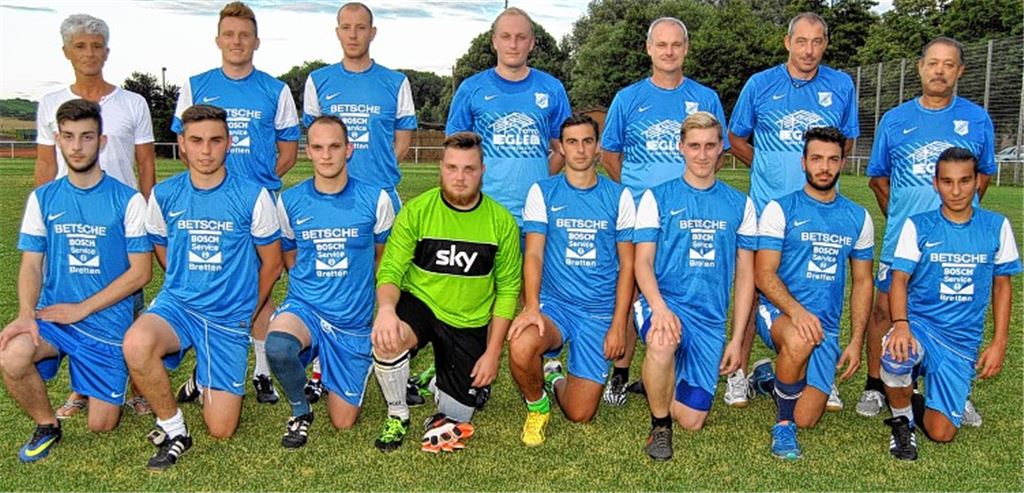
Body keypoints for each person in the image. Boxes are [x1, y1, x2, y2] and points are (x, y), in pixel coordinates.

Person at [122, 104, 282, 471]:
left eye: (215, 140)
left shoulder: (253, 195)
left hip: (228, 317)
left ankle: (201, 375)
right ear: (182, 144)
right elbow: (162, 247)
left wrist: (247, 312)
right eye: (196, 141)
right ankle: (174, 427)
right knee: (136, 342)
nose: (206, 150)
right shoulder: (163, 195)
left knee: (222, 429)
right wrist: (184, 282)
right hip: (179, 306)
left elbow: (271, 263)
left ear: (229, 143)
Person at [0, 99, 151, 462]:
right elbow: (32, 264)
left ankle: (109, 371)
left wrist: (81, 309)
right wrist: (25, 314)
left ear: (101, 142)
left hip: (105, 322)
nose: (77, 146)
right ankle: (46, 424)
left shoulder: (127, 200)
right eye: (68, 137)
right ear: (58, 140)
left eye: (86, 137)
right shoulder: (44, 198)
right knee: (12, 356)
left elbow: (141, 273)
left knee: (102, 424)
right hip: (54, 317)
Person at [726, 12, 859, 410]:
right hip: (768, 209)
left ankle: (823, 376)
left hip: (819, 211)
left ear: (826, 44)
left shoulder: (840, 85)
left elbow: (846, 140)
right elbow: (735, 136)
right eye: (801, 41)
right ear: (787, 42)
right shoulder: (760, 84)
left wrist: (820, 175)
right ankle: (738, 373)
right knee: (752, 291)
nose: (809, 50)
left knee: (822, 288)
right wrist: (766, 166)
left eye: (817, 42)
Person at [171, 1, 299, 405]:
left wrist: (254, 186)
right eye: (229, 34)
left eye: (244, 34)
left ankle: (261, 371)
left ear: (256, 41)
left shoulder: (275, 89)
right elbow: (184, 144)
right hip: (208, 206)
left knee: (260, 286)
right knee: (211, 283)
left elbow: (289, 151)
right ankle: (206, 365)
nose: (237, 41)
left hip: (255, 209)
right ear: (218, 39)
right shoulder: (195, 84)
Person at [861, 37, 996, 422]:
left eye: (948, 64)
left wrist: (958, 215)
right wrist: (906, 223)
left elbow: (983, 174)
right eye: (933, 63)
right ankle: (875, 386)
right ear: (920, 67)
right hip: (904, 240)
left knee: (956, 310)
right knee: (884, 310)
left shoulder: (976, 118)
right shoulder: (895, 119)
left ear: (960, 72)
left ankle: (955, 389)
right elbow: (878, 180)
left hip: (958, 241)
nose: (939, 71)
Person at [600, 16, 731, 406]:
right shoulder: (628, 97)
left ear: (686, 49)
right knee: (629, 287)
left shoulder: (705, 97)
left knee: (685, 285)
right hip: (643, 212)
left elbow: (716, 151)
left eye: (676, 45)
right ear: (649, 49)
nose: (669, 51)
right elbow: (610, 154)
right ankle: (620, 373)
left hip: (691, 214)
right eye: (661, 45)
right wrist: (639, 195)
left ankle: (677, 365)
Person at [35, 14, 156, 418]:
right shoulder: (52, 104)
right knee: (71, 299)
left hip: (121, 220)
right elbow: (43, 167)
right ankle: (81, 389)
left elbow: (146, 166)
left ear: (107, 51)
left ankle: (138, 384)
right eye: (80, 46)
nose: (89, 53)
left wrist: (145, 216)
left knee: (128, 302)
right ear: (66, 51)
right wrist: (45, 225)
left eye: (96, 45)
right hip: (70, 217)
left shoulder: (132, 103)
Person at [369, 132, 521, 453]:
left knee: (456, 417)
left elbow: (507, 291)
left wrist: (493, 354)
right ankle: (397, 412)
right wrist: (385, 312)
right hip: (422, 304)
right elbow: (391, 270)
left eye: (469, 169)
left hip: (468, 319)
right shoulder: (417, 211)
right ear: (441, 167)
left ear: (482, 169)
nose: (460, 177)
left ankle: (439, 378)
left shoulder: (501, 222)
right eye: (452, 168)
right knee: (388, 336)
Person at [301, 1, 416, 403]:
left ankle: (394, 358)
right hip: (332, 198)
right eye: (346, 27)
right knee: (333, 280)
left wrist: (375, 177)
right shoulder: (318, 80)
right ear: (337, 32)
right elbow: (317, 134)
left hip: (380, 195)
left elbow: (402, 140)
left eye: (360, 27)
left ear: (373, 32)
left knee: (388, 277)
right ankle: (322, 366)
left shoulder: (394, 81)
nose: (353, 34)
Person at [879, 147, 1019, 461]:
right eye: (947, 182)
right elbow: (898, 279)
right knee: (896, 356)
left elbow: (1001, 287)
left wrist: (998, 343)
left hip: (960, 342)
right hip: (920, 326)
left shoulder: (996, 226)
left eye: (964, 181)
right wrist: (901, 325)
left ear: (978, 181)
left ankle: (920, 397)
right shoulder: (919, 225)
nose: (956, 190)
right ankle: (902, 422)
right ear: (935, 183)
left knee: (941, 433)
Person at [264, 115, 395, 448]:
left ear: (349, 149)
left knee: (343, 421)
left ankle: (345, 362)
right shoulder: (290, 201)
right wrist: (314, 286)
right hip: (306, 306)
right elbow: (290, 255)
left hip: (352, 320)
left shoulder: (376, 199)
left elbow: (384, 258)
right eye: (318, 147)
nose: (326, 155)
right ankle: (300, 409)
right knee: (278, 346)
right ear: (308, 151)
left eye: (335, 146)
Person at [633, 112, 756, 461]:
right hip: (665, 301)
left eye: (710, 146)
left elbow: (746, 276)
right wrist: (658, 307)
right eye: (694, 146)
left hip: (709, 319)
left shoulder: (740, 204)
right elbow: (642, 262)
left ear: (722, 149)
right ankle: (659, 427)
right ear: (681, 148)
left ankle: (660, 379)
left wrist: (735, 338)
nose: (702, 155)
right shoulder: (657, 198)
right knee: (662, 340)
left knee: (691, 420)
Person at [507, 114, 635, 447]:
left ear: (597, 147)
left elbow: (627, 265)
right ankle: (537, 407)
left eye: (587, 141)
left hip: (598, 312)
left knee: (580, 413)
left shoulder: (620, 197)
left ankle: (555, 375)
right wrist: (532, 307)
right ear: (561, 148)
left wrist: (619, 323)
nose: (580, 149)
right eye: (572, 142)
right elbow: (533, 254)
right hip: (555, 306)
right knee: (521, 344)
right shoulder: (543, 192)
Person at [753, 126, 873, 460]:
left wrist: (855, 341)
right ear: (803, 161)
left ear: (843, 162)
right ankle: (782, 425)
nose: (824, 167)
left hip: (825, 329)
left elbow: (863, 282)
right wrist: (797, 311)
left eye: (832, 159)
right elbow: (764, 273)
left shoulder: (858, 217)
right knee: (798, 342)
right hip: (779, 314)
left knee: (808, 417)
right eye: (817, 158)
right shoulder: (781, 209)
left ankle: (768, 377)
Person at [445, 7, 571, 226]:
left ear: (531, 42)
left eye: (521, 37)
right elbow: (456, 154)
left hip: (535, 214)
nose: (513, 45)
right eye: (506, 37)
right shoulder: (471, 88)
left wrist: (540, 179)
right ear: (494, 41)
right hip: (482, 213)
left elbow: (564, 147)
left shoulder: (552, 88)